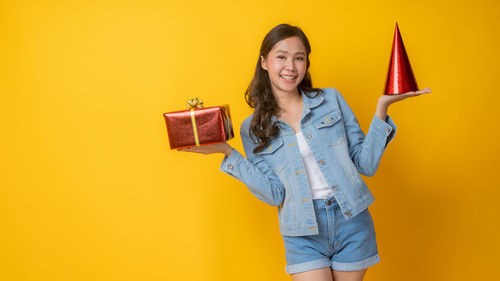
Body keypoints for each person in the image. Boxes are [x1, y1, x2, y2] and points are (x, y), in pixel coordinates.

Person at [178, 23, 431, 281]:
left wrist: (382, 109)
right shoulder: (252, 127)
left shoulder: (331, 100)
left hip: (351, 220)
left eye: (299, 58)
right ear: (264, 62)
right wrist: (227, 153)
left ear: (306, 63)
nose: (291, 67)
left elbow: (366, 165)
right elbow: (274, 194)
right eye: (281, 57)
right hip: (302, 231)